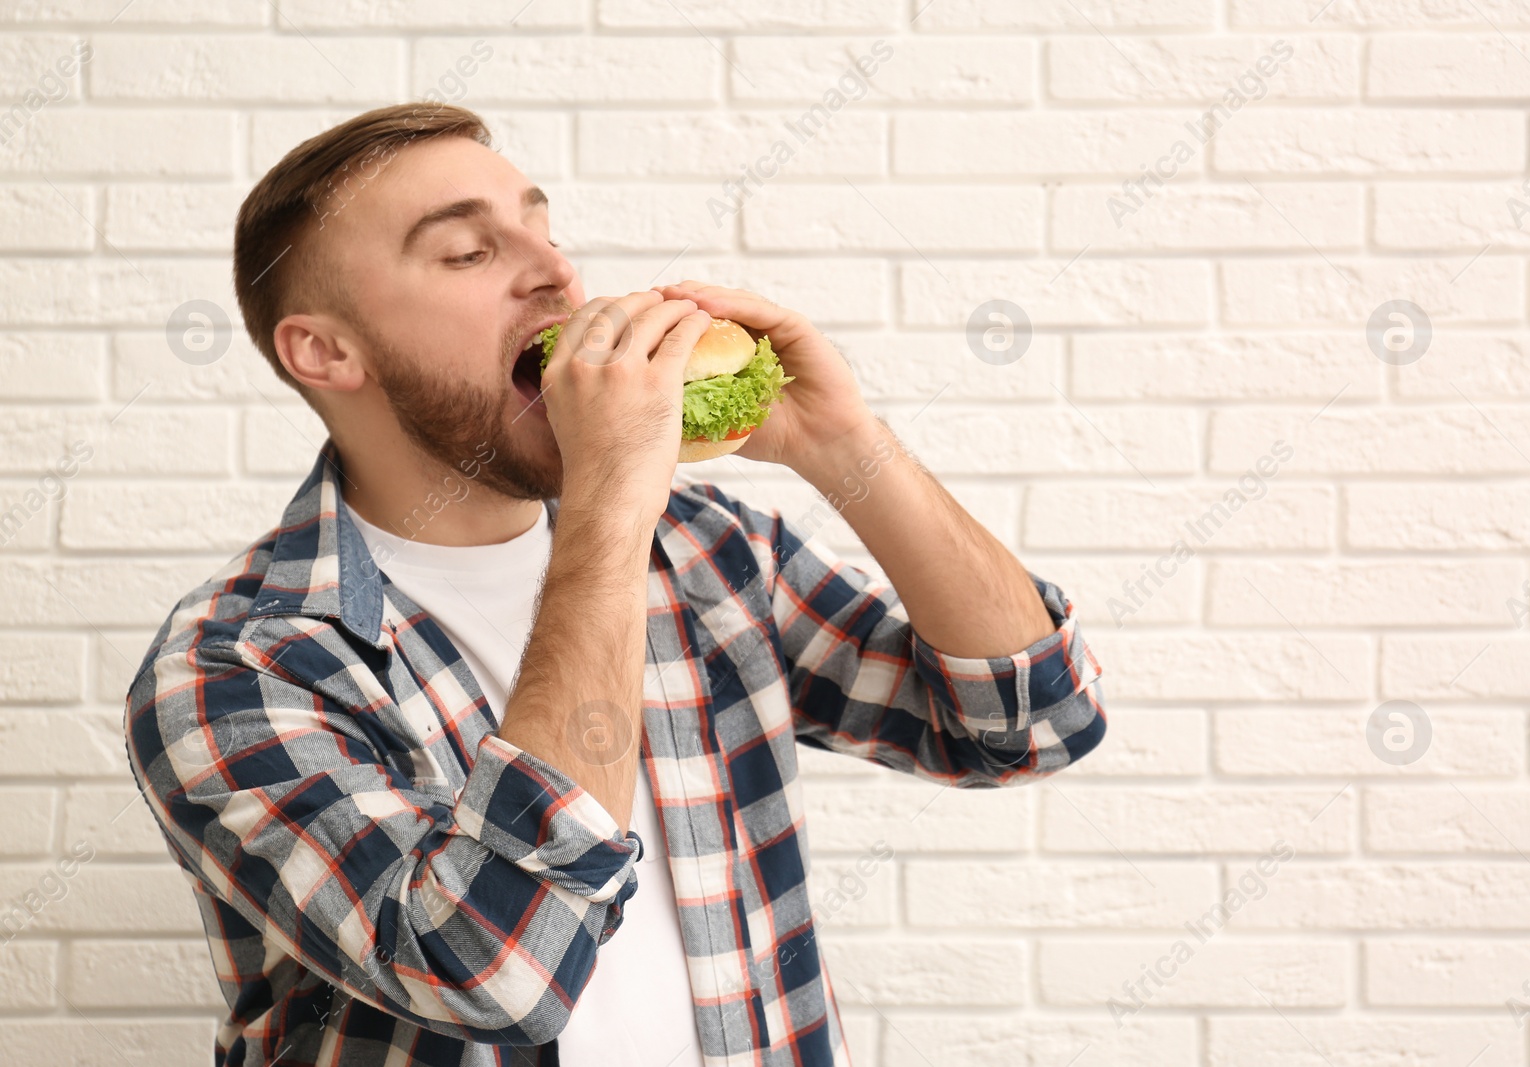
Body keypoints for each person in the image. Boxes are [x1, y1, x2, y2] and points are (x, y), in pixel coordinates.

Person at [122, 102, 1107, 1067]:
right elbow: (493, 972)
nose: (555, 272)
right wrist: (608, 499)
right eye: (469, 253)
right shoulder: (237, 665)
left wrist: (845, 444)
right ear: (325, 350)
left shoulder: (709, 551)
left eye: (543, 231)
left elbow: (1030, 724)